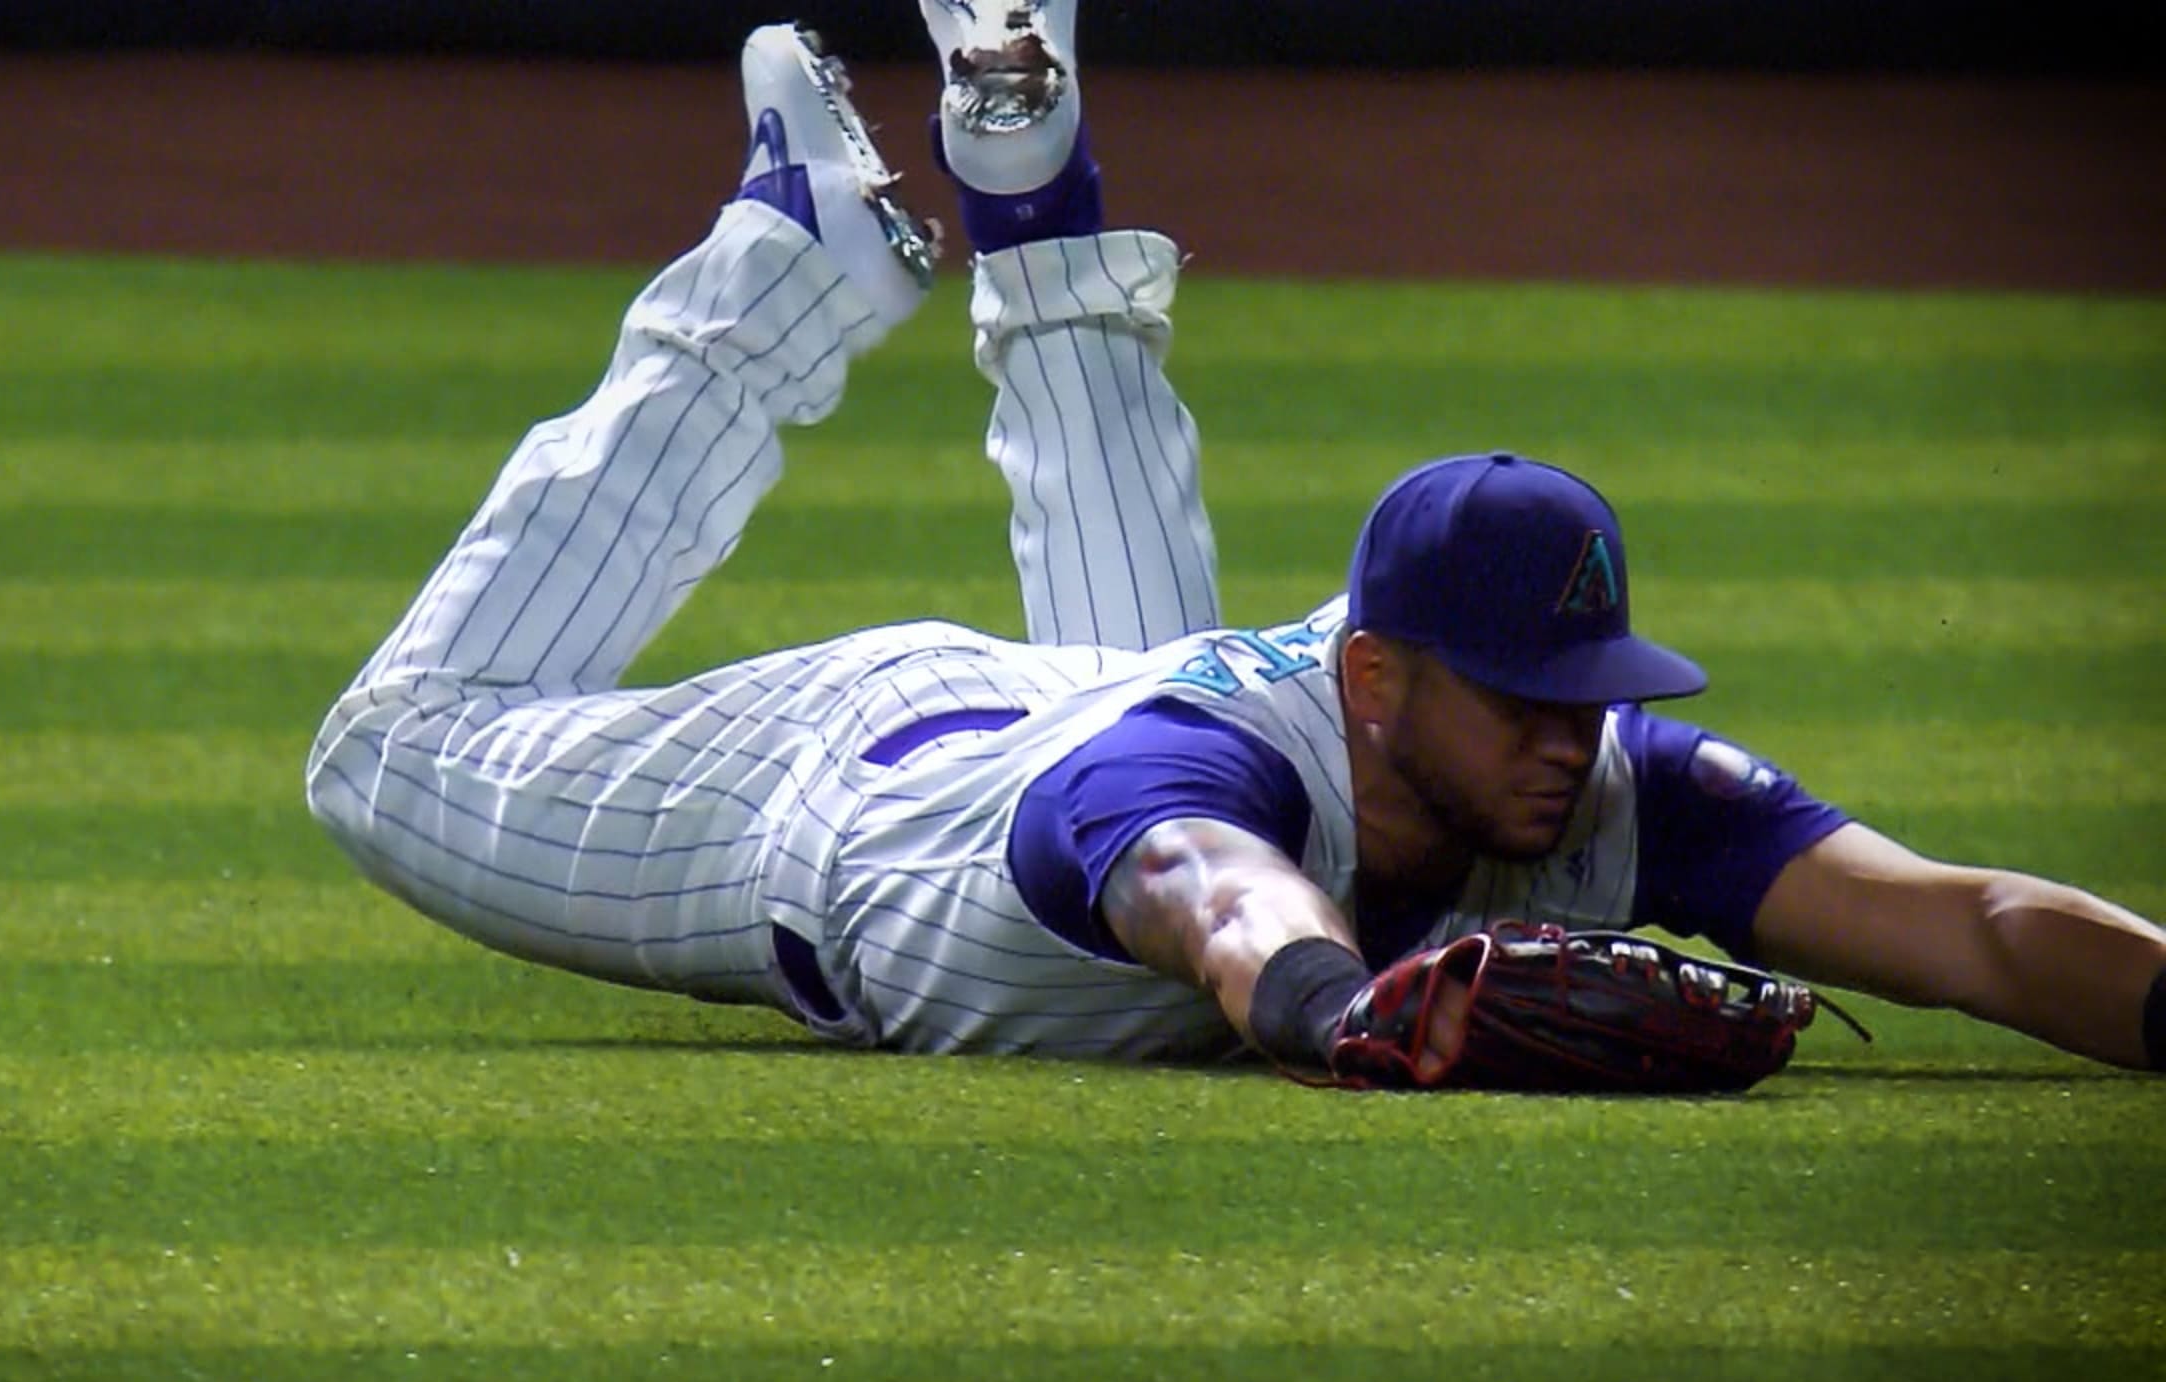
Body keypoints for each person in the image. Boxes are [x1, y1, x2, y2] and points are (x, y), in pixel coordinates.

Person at [306, 3, 2165, 1078]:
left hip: (1101, 700)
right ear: (1378, 672)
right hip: (844, 792)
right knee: (382, 759)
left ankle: (1036, 193)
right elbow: (1209, 890)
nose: (1565, 738)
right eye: (1522, 695)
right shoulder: (1188, 782)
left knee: (1144, 679)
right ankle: (782, 270)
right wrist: (1352, 1014)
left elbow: (1980, 926)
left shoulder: (1588, 782)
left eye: (1590, 693)